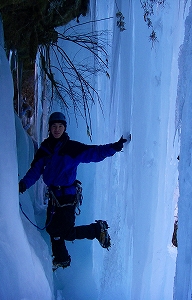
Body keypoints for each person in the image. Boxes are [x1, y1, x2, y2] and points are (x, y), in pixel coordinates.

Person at [18, 112, 128, 271]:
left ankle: (97, 230)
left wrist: (113, 148)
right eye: (54, 126)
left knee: (66, 232)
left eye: (60, 126)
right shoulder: (45, 149)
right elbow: (35, 171)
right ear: (49, 128)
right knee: (51, 228)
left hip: (68, 196)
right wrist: (24, 184)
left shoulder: (71, 147)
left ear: (64, 128)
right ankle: (61, 259)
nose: (57, 129)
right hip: (54, 195)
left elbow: (93, 152)